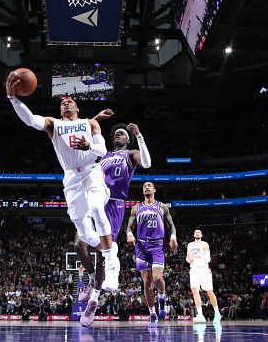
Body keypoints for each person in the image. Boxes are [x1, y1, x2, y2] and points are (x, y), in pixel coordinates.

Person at [5, 74, 120, 317]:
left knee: (98, 208)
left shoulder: (91, 123)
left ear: (77, 107)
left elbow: (103, 150)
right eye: (62, 102)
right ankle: (100, 264)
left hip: (92, 172)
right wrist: (13, 98)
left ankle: (111, 263)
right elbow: (31, 121)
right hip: (71, 180)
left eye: (70, 101)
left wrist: (89, 147)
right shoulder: (53, 124)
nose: (66, 102)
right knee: (83, 231)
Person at [76, 111, 152, 326]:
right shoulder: (105, 155)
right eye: (116, 133)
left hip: (115, 204)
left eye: (122, 133)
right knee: (79, 244)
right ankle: (91, 280)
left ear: (127, 138)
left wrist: (140, 136)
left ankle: (93, 301)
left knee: (102, 253)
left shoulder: (131, 154)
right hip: (94, 198)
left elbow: (146, 163)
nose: (118, 135)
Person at [126, 182, 177, 327]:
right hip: (141, 246)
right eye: (144, 186)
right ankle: (152, 313)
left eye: (149, 186)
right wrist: (129, 234)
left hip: (157, 245)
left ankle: (162, 297)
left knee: (157, 278)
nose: (147, 187)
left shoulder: (162, 207)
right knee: (147, 282)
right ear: (143, 191)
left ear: (154, 190)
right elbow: (129, 226)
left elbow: (171, 226)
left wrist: (173, 237)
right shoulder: (136, 208)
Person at [187, 229, 221, 323]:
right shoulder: (190, 245)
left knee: (209, 291)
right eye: (196, 232)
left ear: (201, 235)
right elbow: (187, 257)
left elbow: (208, 259)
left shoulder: (204, 244)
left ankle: (217, 313)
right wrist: (189, 259)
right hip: (193, 269)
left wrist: (198, 255)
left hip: (204, 269)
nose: (197, 233)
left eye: (199, 232)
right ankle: (200, 315)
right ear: (194, 235)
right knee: (194, 290)